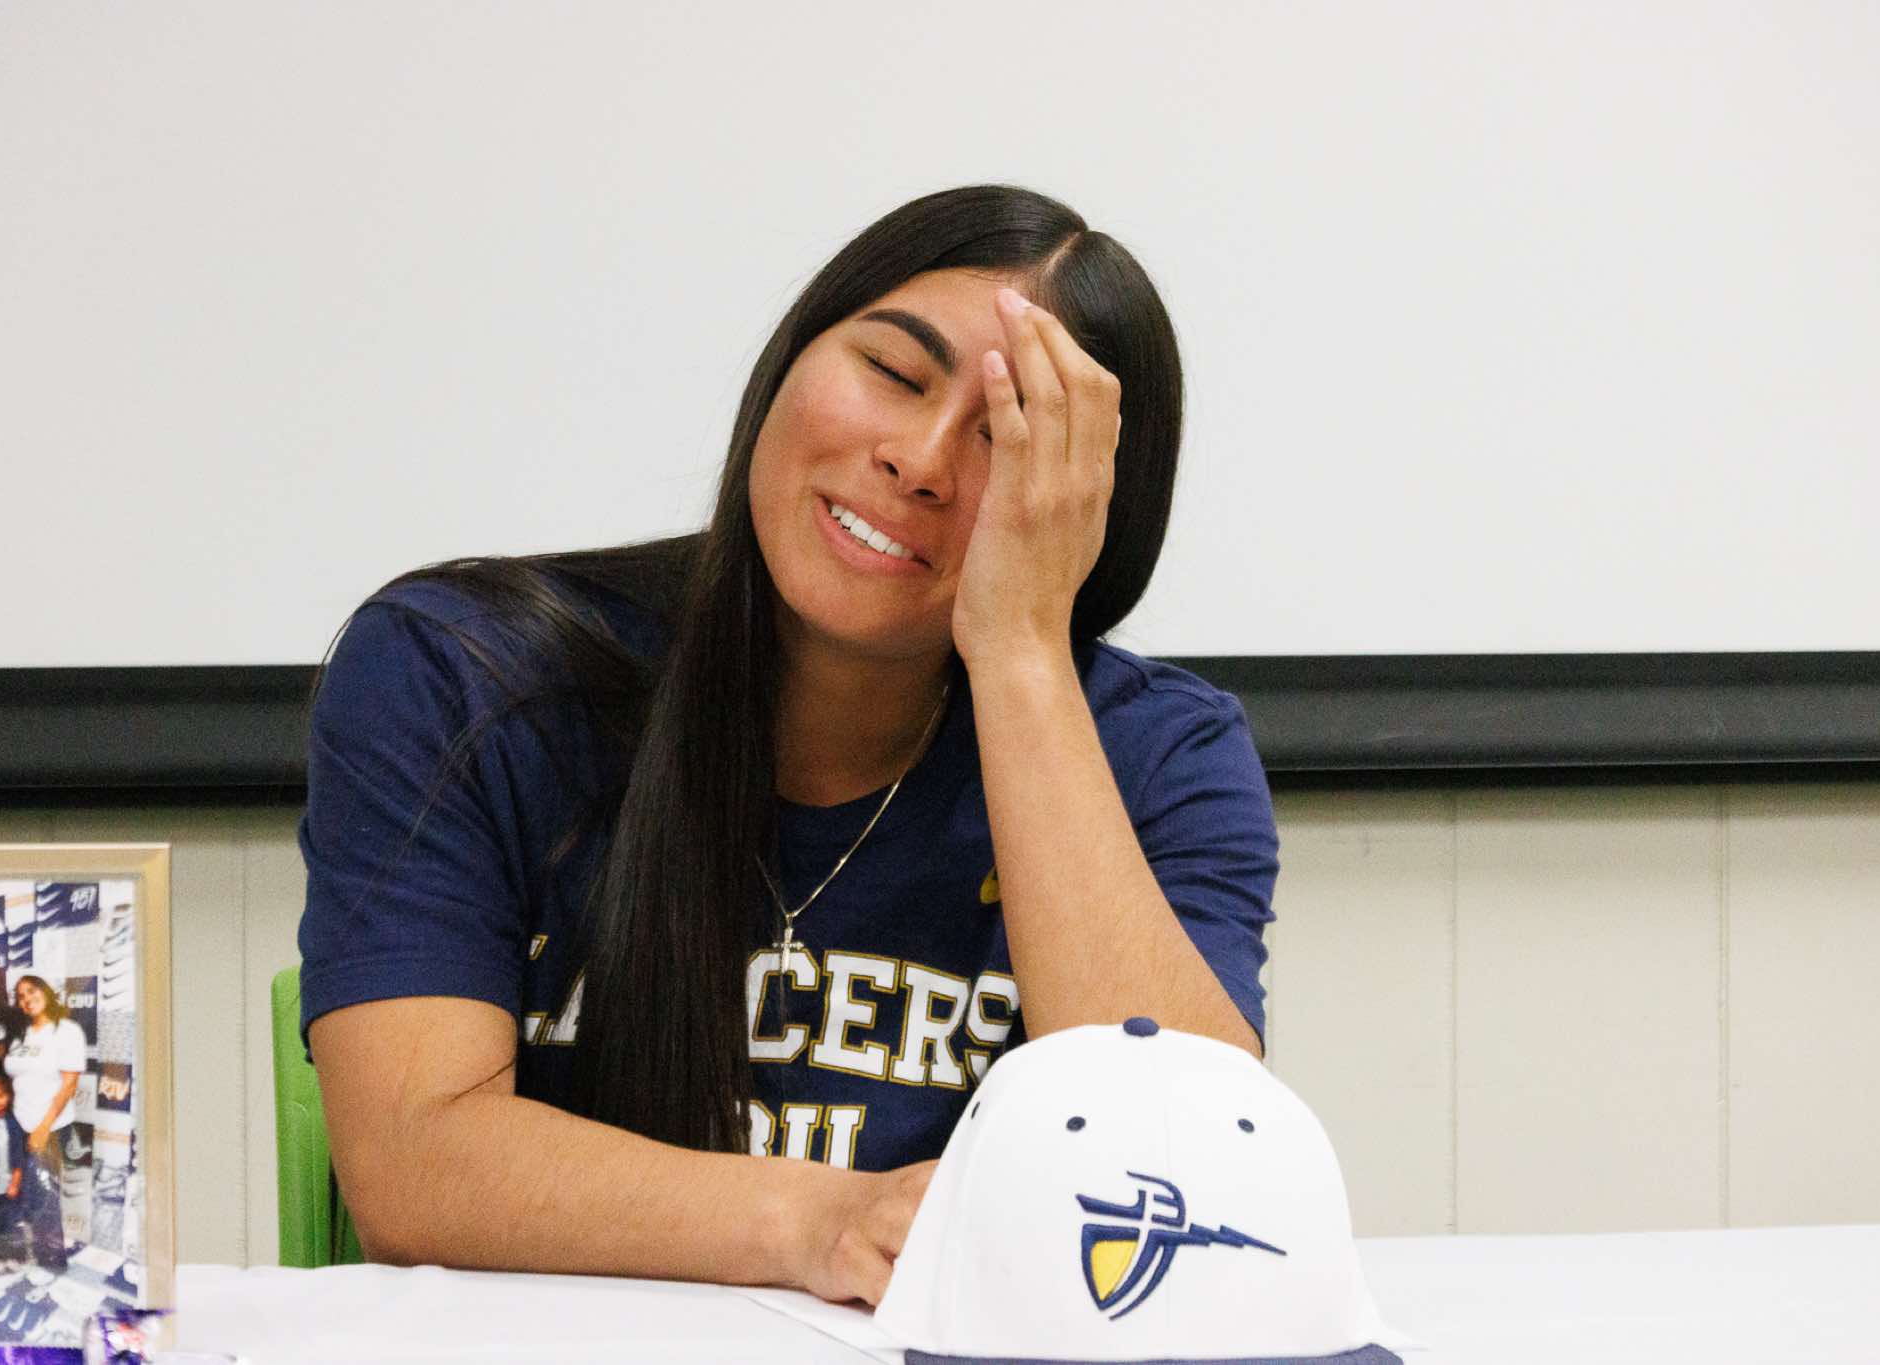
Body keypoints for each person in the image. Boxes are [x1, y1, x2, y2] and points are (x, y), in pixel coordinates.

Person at [299, 185, 1280, 1305]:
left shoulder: (1155, 754)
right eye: (894, 373)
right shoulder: (463, 675)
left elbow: (1190, 1175)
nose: (919, 461)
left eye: (1005, 439)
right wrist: (817, 1223)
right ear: (791, 358)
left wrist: (1019, 650)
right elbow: (413, 1164)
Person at [2, 975, 84, 1270]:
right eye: (20, 995)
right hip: (20, 1122)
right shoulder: (21, 1035)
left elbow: (69, 1085)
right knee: (28, 1192)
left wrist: (43, 1127)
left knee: (45, 1196)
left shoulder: (67, 1030)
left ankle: (52, 1260)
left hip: (49, 1126)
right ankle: (34, 1250)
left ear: (46, 992)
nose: (26, 998)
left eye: (31, 990)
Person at [0, 1075, 35, 1264]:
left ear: (9, 1097)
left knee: (6, 1218)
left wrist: (15, 1183)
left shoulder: (13, 1123)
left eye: (0, 1095)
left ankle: (7, 1252)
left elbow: (19, 1156)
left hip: (6, 1183)